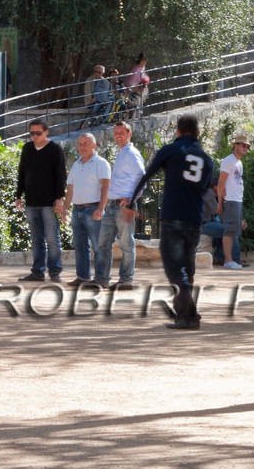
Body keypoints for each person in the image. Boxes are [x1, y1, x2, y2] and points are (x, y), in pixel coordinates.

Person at [133, 114, 216, 330]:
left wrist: (131, 201)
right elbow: (205, 188)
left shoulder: (170, 150)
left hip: (173, 217)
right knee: (187, 270)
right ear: (198, 133)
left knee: (175, 270)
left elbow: (146, 176)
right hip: (194, 219)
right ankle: (183, 314)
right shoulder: (207, 160)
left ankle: (190, 315)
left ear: (178, 131)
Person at [14, 119, 67, 284]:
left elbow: (61, 175)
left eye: (38, 133)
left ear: (46, 132)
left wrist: (59, 199)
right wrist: (18, 195)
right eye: (32, 133)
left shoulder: (55, 149)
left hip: (49, 203)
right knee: (36, 240)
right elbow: (22, 172)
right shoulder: (27, 148)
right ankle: (37, 272)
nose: (35, 136)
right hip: (31, 202)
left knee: (52, 239)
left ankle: (55, 272)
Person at [99, 120, 145, 287]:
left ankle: (126, 280)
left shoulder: (131, 153)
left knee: (126, 245)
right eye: (116, 133)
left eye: (121, 133)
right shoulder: (122, 153)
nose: (117, 136)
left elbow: (142, 177)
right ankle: (102, 280)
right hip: (112, 205)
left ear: (129, 134)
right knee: (103, 244)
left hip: (123, 206)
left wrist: (132, 200)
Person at [64, 132, 112, 285]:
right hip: (77, 210)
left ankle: (102, 279)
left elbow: (106, 186)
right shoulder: (76, 164)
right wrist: (65, 208)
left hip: (93, 210)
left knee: (99, 246)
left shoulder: (101, 163)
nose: (82, 147)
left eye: (86, 144)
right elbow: (70, 188)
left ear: (94, 145)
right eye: (80, 144)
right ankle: (82, 277)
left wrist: (101, 208)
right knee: (80, 247)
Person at [216, 133, 251, 270]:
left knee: (233, 231)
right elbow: (220, 183)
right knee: (229, 231)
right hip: (230, 200)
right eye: (243, 145)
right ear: (235, 145)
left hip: (237, 200)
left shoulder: (239, 163)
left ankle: (230, 260)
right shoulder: (228, 161)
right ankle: (228, 260)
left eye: (247, 146)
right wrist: (220, 203)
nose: (246, 148)